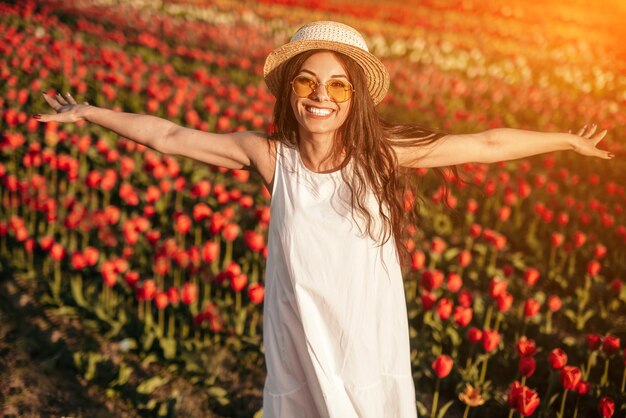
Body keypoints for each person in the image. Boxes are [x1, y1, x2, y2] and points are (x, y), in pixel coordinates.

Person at [34, 20, 612, 418]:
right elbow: (168, 136)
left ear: (354, 97)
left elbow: (484, 144)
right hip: (299, 338)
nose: (322, 96)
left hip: (365, 341)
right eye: (308, 82)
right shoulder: (269, 157)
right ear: (289, 92)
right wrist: (89, 112)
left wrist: (565, 139)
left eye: (338, 85)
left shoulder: (381, 157)